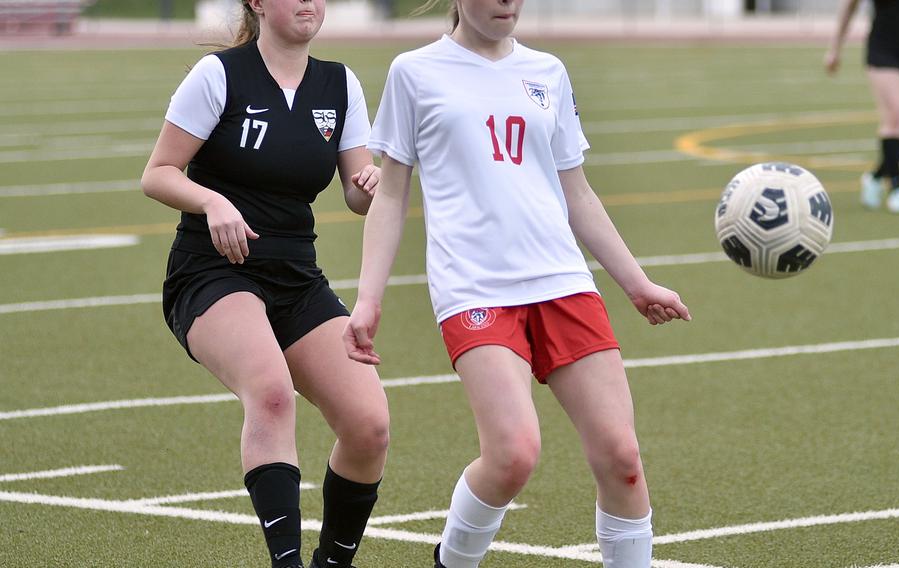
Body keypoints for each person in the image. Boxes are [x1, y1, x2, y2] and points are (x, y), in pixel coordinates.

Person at [343, 1, 691, 566]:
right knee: (512, 454)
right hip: (475, 288)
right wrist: (368, 298)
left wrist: (637, 284)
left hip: (562, 281)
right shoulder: (415, 72)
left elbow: (576, 192)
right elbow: (390, 193)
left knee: (622, 457)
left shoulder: (547, 72)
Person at [140, 1, 389, 567]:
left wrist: (373, 184)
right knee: (271, 391)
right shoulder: (219, 74)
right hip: (212, 272)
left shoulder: (339, 83)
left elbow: (355, 194)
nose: (309, 1)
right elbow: (157, 173)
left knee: (369, 426)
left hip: (296, 277)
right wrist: (212, 202)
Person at [825, 0, 899, 213]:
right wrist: (835, 49)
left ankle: (875, 177)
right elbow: (849, 7)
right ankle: (897, 190)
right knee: (896, 119)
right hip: (885, 49)